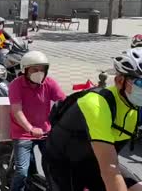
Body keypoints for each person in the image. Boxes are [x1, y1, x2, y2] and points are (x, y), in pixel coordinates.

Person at [44, 48, 142, 191]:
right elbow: (109, 169)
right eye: (141, 83)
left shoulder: (137, 105)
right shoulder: (96, 104)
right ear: (120, 80)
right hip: (63, 162)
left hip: (95, 159)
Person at [8, 51, 66, 191]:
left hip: (45, 131)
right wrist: (30, 128)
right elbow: (17, 111)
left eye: (42, 69)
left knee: (55, 165)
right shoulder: (16, 85)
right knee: (22, 171)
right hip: (22, 132)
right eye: (35, 69)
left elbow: (63, 102)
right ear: (25, 69)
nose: (39, 72)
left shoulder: (49, 83)